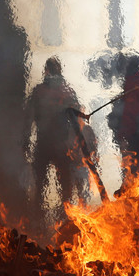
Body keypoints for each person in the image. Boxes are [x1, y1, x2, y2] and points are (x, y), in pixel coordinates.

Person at [23, 57, 84, 210]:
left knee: (40, 186)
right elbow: (77, 120)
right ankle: (66, 215)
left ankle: (38, 217)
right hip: (62, 145)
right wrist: (76, 142)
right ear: (60, 71)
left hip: (43, 142)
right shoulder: (67, 92)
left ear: (46, 70)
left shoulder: (38, 92)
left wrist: (25, 140)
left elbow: (28, 118)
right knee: (65, 186)